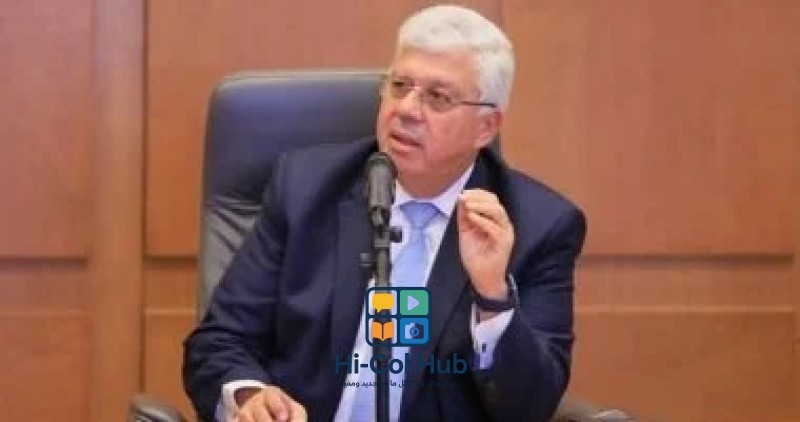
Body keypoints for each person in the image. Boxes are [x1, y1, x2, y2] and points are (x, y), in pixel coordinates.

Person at [183, 5, 586, 422]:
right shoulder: (306, 189)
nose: (407, 109)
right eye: (399, 85)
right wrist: (250, 397)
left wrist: (493, 298)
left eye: (437, 97)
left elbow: (530, 407)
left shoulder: (538, 227)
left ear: (486, 127)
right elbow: (220, 341)